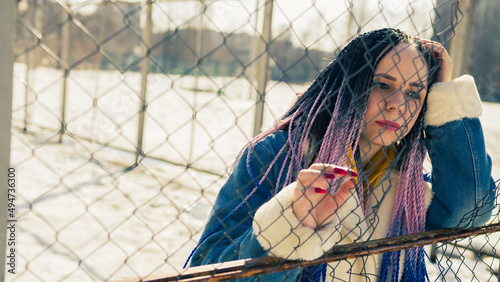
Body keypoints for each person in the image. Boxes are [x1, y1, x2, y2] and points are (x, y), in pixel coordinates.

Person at [186, 28, 496, 281]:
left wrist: (446, 96)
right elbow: (207, 266)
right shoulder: (276, 157)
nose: (398, 104)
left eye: (415, 92)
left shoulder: (409, 181)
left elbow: (471, 210)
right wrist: (291, 225)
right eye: (383, 85)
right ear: (350, 85)